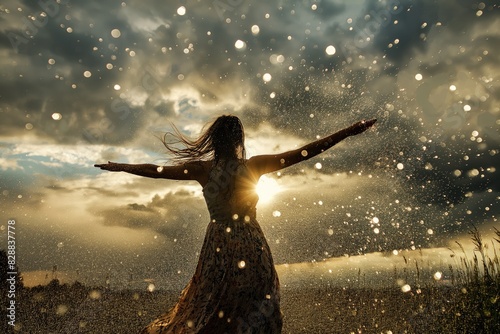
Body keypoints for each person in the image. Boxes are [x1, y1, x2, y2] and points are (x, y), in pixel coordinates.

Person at [94, 115, 377, 333]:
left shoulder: (204, 169)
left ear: (214, 139)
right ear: (237, 139)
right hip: (250, 242)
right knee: (254, 302)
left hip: (219, 244)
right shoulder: (253, 166)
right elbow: (307, 151)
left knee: (211, 303)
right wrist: (348, 131)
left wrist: (122, 166)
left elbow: (156, 172)